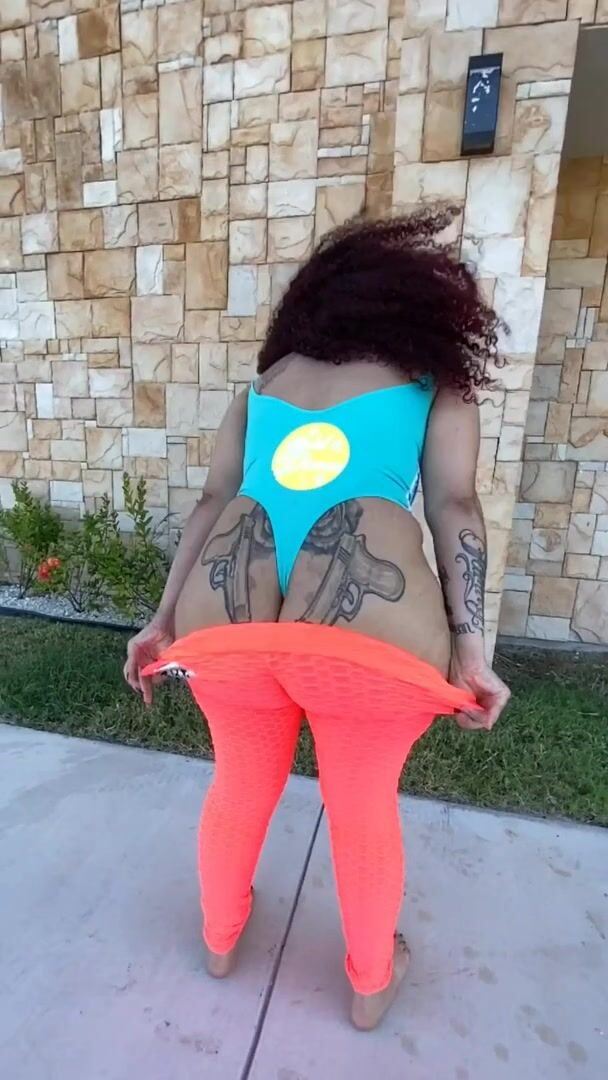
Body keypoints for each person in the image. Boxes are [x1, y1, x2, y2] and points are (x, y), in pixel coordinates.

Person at [124, 209, 511, 1031]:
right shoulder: (434, 383)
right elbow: (456, 506)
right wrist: (473, 649)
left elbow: (212, 501)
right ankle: (370, 986)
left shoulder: (263, 388)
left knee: (240, 780)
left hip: (229, 608)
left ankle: (220, 942)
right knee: (362, 802)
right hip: (362, 616)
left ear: (311, 303)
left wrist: (160, 620)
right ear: (418, 305)